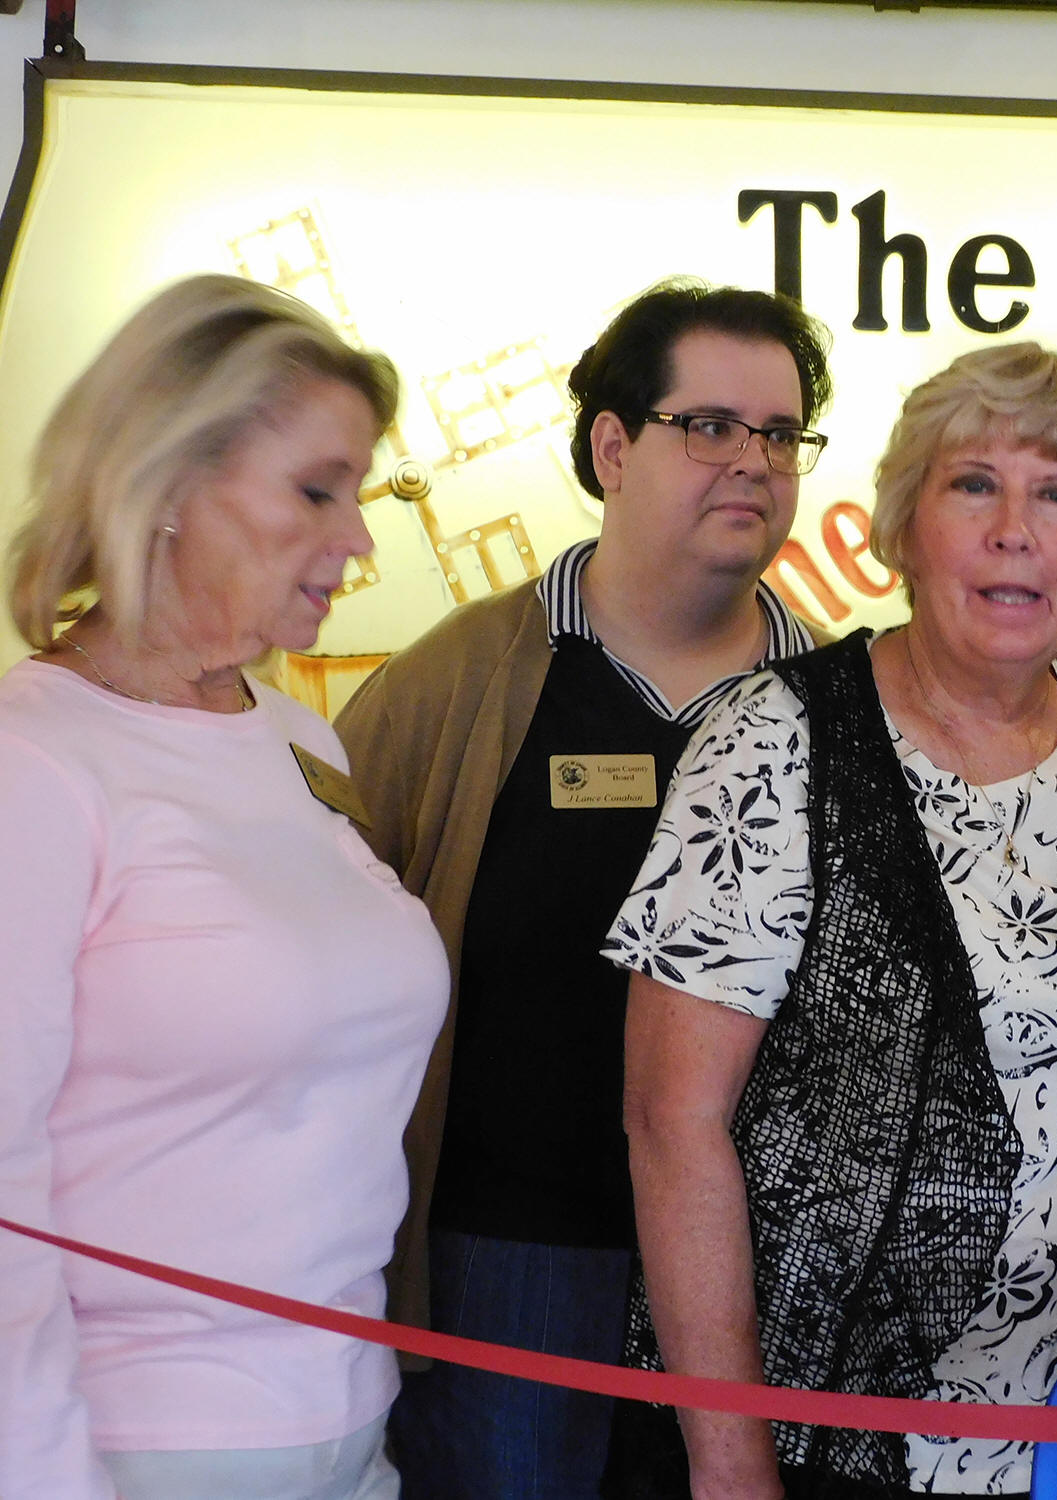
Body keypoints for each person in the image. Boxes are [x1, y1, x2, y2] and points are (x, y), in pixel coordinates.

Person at [605, 341, 1057, 1499]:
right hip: (820, 1450)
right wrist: (730, 1457)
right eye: (973, 486)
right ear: (905, 528)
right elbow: (671, 1124)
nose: (1015, 532)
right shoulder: (772, 742)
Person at [335, 280, 832, 1499]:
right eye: (708, 426)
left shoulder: (845, 708)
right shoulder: (454, 686)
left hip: (762, 1278)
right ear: (611, 447)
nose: (752, 462)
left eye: (779, 435)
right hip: (508, 1274)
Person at [0, 275, 449, 1500]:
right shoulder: (36, 765)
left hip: (352, 1428)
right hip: (136, 1450)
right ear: (166, 481)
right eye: (315, 490)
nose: (359, 539)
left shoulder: (300, 739)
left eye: (358, 492)